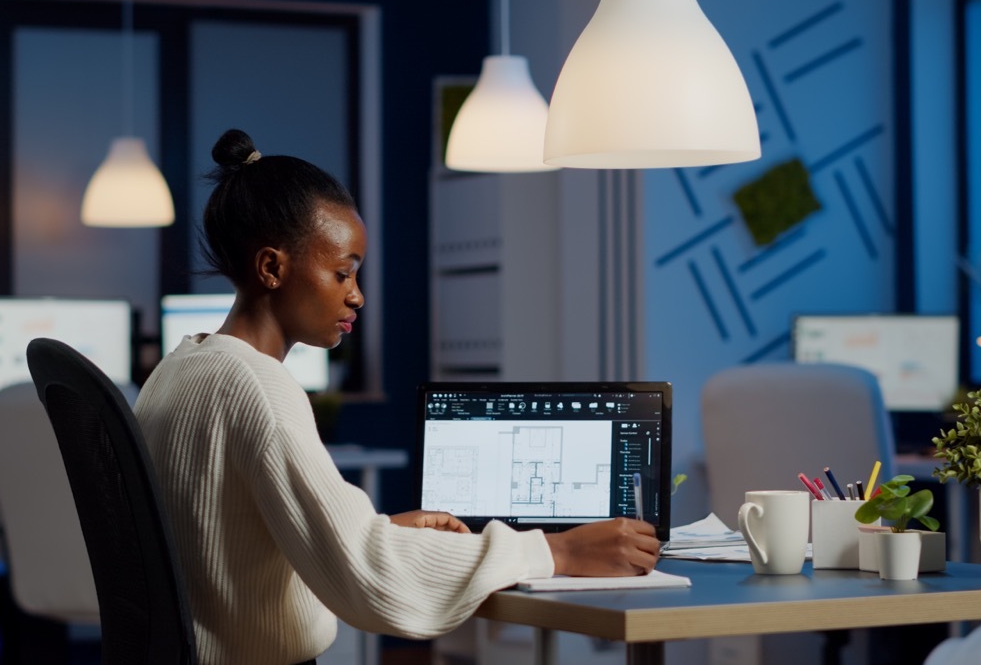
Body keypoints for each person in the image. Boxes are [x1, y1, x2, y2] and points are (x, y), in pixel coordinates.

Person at [134, 129, 660, 665]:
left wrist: (376, 532)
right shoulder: (258, 388)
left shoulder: (180, 369)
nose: (356, 294)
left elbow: (233, 541)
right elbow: (370, 578)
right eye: (342, 272)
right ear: (272, 268)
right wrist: (559, 549)